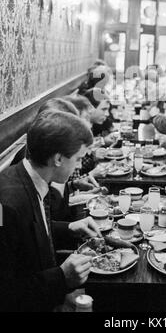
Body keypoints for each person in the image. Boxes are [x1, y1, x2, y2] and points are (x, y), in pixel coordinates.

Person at [0, 110, 102, 311]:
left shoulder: (31, 178)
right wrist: (62, 276)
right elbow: (6, 292)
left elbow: (29, 232)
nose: (80, 165)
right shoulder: (6, 206)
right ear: (58, 159)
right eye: (78, 158)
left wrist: (70, 227)